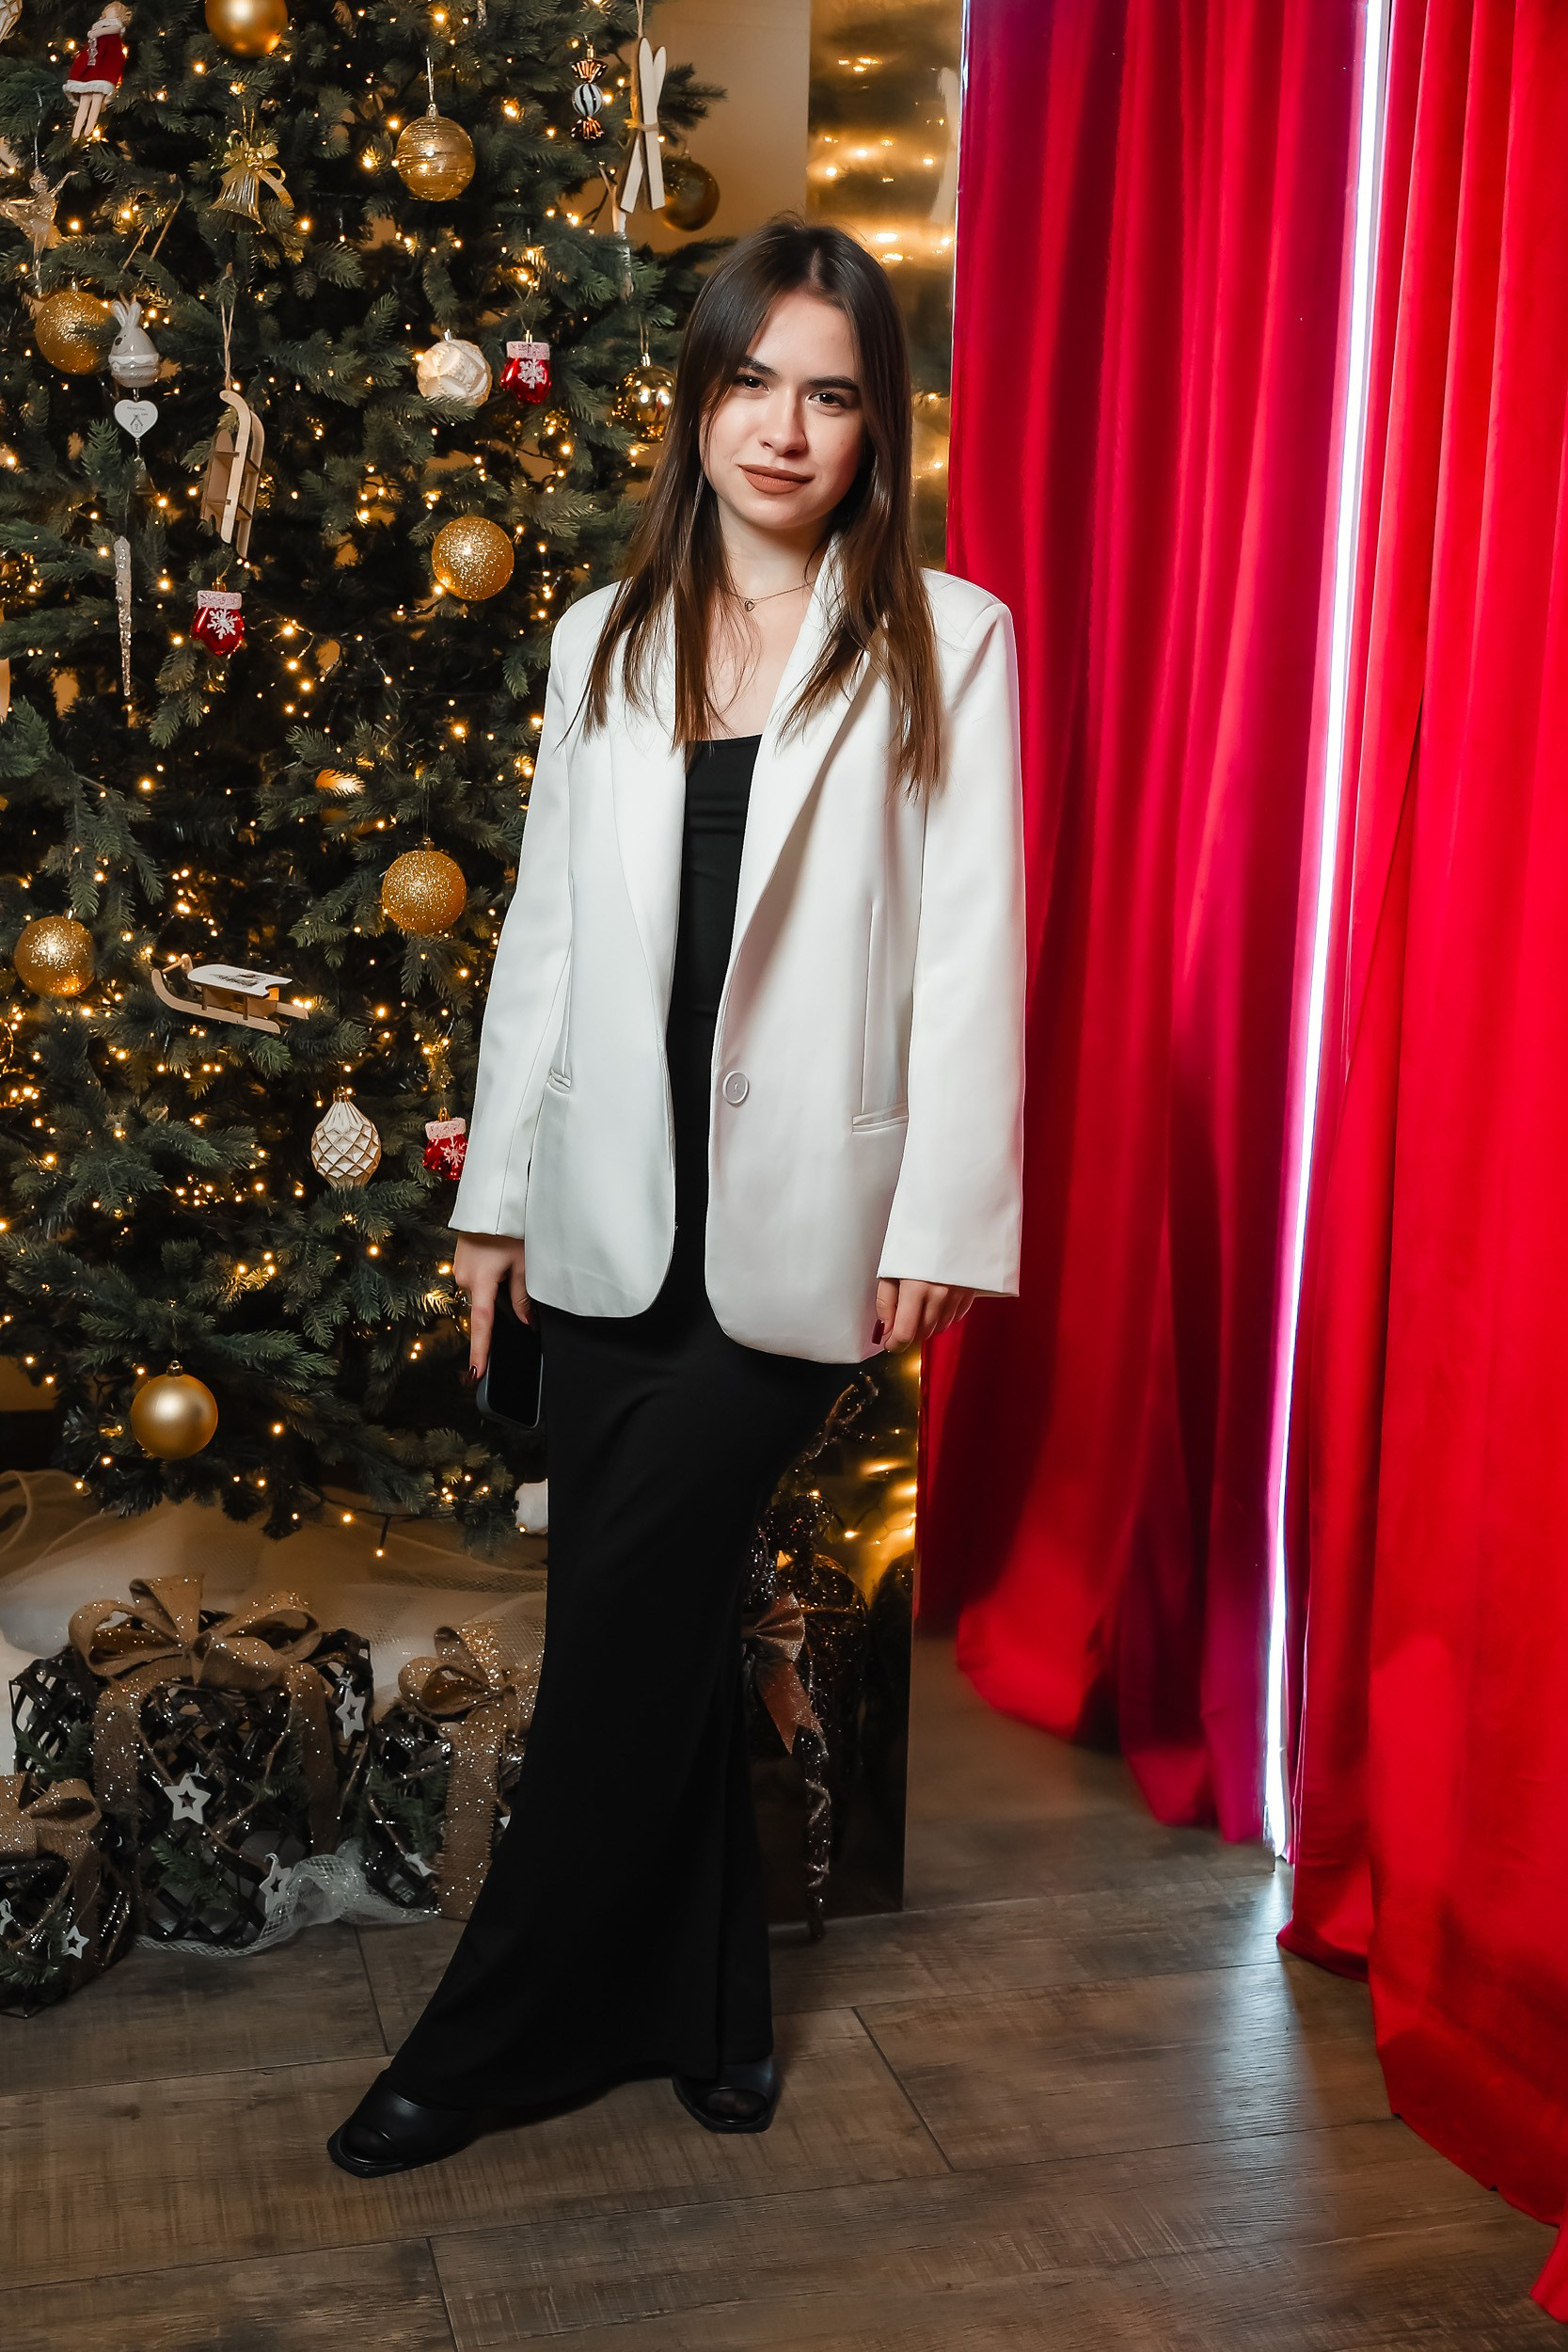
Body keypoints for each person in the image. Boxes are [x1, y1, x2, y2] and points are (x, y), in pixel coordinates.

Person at [327, 215, 1024, 2176]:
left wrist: (945, 1221)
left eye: (831, 393)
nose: (784, 429)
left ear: (875, 427)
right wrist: (492, 1199)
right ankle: (712, 2008)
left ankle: (486, 2038)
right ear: (699, 402)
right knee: (654, 1612)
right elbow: (546, 939)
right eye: (752, 382)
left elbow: (972, 951)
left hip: (804, 1223)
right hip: (609, 1210)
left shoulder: (949, 638)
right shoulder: (602, 636)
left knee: (629, 1626)